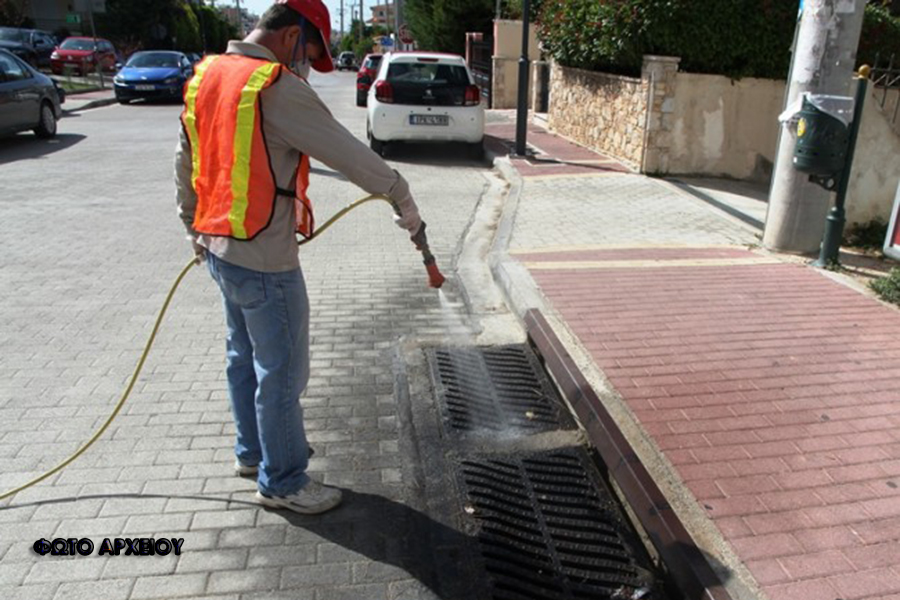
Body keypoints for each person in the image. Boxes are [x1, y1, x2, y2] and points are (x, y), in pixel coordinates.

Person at [174, 0, 423, 515]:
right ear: (291, 37)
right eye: (309, 52)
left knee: (243, 359)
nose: (305, 65)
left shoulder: (208, 75)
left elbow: (186, 159)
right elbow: (350, 155)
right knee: (282, 373)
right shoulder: (275, 87)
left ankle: (254, 453)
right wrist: (402, 195)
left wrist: (191, 226)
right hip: (265, 258)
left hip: (219, 246)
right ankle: (284, 481)